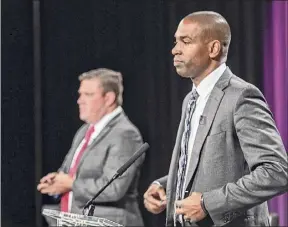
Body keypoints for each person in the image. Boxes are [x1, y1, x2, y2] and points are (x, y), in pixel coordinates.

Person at [143, 11, 288, 227]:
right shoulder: (190, 100)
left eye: (186, 41)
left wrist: (207, 203)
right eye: (176, 41)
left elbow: (276, 172)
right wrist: (166, 185)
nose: (175, 50)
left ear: (213, 48)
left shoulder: (241, 96)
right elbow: (203, 167)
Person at [37, 68, 145, 226]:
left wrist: (70, 184)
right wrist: (56, 180)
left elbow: (114, 187)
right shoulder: (85, 130)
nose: (79, 100)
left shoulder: (125, 134)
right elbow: (68, 172)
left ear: (108, 98)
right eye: (80, 94)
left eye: (88, 95)